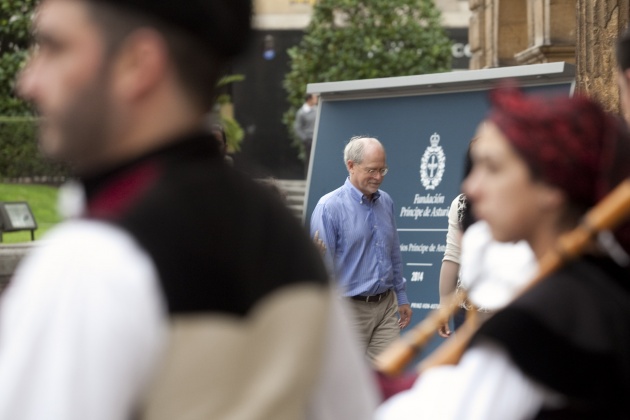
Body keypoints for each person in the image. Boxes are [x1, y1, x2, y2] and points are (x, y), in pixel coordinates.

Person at [1, 1, 378, 419]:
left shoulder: (91, 262)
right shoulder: (285, 239)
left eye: (54, 47)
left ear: (136, 64)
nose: (28, 81)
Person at [376, 87, 630, 419]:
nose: (471, 187)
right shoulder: (601, 282)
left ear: (551, 188)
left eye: (493, 168)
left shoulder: (543, 321)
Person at [310, 136, 412, 362]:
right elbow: (323, 270)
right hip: (348, 310)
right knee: (348, 385)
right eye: (372, 170)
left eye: (383, 170)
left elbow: (393, 251)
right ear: (351, 165)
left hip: (386, 307)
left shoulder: (386, 202)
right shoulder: (329, 207)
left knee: (389, 376)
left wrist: (401, 296)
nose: (379, 177)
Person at [294, 93, 318, 174]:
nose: (316, 99)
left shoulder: (317, 109)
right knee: (309, 161)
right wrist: (305, 138)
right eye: (314, 98)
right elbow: (298, 127)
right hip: (309, 140)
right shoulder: (301, 112)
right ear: (309, 99)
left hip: (317, 139)